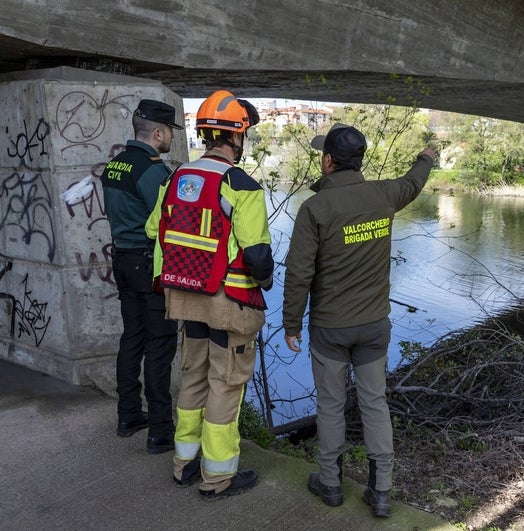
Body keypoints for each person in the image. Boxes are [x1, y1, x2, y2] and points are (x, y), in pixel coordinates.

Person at [282, 123, 437, 518]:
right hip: (373, 328)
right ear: (359, 160)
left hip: (330, 330)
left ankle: (330, 485)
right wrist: (427, 157)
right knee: (374, 403)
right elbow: (413, 183)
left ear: (329, 160)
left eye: (323, 154)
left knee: (331, 406)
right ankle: (381, 490)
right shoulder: (383, 195)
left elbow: (299, 273)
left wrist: (291, 324)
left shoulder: (314, 208)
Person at [145, 90, 274, 500]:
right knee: (225, 382)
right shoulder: (241, 185)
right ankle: (217, 477)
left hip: (184, 296)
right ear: (236, 137)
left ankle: (184, 465)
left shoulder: (176, 177)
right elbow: (257, 256)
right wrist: (265, 278)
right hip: (228, 304)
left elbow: (154, 230)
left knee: (194, 375)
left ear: (204, 134)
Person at [101, 98, 182, 454]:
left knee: (132, 338)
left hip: (122, 259)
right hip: (149, 265)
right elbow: (169, 222)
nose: (172, 141)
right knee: (159, 346)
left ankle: (128, 415)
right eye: (171, 135)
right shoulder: (153, 171)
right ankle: (161, 432)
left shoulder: (114, 165)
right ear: (159, 132)